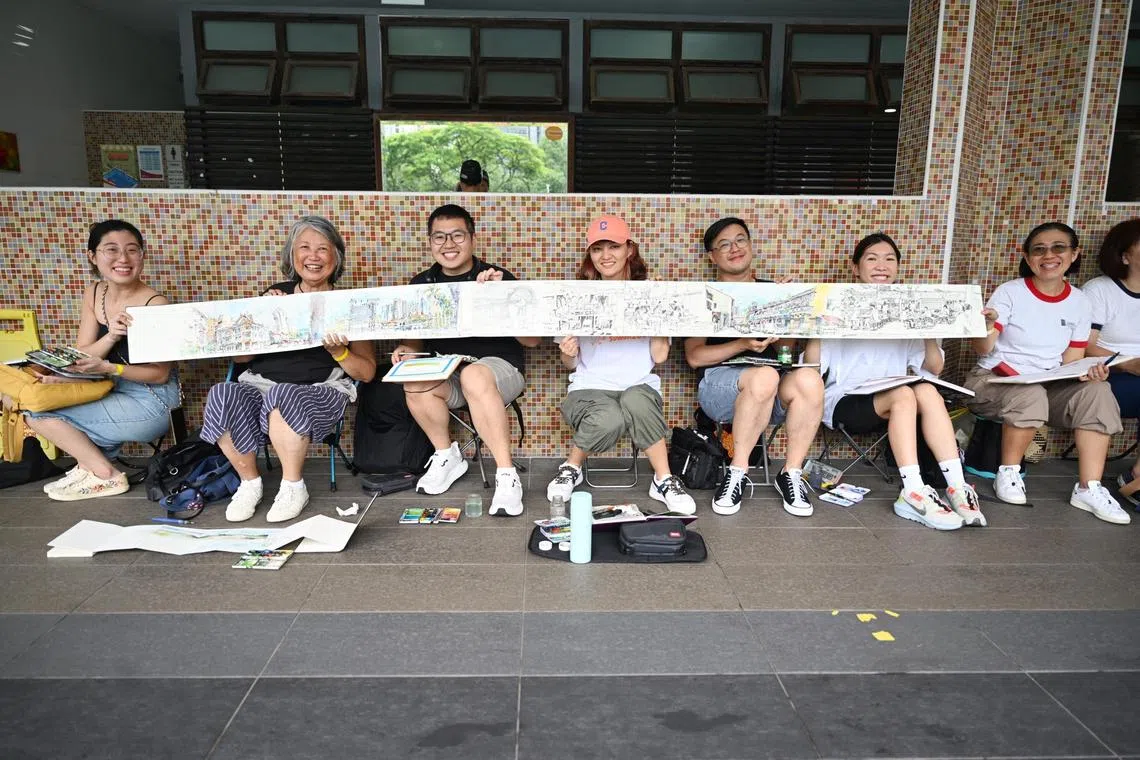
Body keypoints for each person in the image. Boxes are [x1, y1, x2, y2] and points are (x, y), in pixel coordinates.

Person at [200, 215, 376, 523]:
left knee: (284, 396)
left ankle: (293, 486)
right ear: (291, 256)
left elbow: (366, 373)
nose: (313, 256)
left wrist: (340, 352)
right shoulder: (273, 296)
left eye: (323, 248)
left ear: (336, 256)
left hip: (320, 391)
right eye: (304, 247)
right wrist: (264, 319)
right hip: (258, 386)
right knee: (222, 393)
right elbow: (241, 361)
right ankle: (249, 484)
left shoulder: (349, 304)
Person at [804, 233, 984, 530]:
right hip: (846, 402)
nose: (881, 266)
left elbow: (934, 369)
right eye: (872, 258)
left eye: (889, 259)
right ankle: (913, 491)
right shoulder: (839, 306)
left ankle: (957, 487)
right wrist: (814, 327)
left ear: (898, 267)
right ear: (855, 267)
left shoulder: (907, 307)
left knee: (925, 389)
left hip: (897, 402)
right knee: (904, 394)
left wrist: (929, 327)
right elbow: (813, 368)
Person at [964, 222, 1128, 525]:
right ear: (1027, 258)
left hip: (1046, 385)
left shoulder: (1079, 301)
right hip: (992, 382)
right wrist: (985, 324)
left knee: (1098, 392)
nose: (1048, 255)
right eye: (1039, 249)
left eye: (1058, 248)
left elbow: (1072, 360)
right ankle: (1009, 472)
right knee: (1030, 394)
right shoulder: (1010, 293)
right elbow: (984, 349)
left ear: (1074, 253)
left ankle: (1089, 487)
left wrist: (1087, 372)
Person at [391, 204, 538, 516]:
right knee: (413, 375)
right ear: (430, 242)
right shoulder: (422, 284)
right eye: (439, 237)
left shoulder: (498, 277)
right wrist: (405, 350)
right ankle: (447, 456)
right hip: (448, 372)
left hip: (498, 370)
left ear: (472, 238)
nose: (448, 244)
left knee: (474, 375)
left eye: (457, 236)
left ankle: (507, 475)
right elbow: (415, 339)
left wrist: (501, 297)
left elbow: (533, 340)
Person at [546, 215, 697, 515]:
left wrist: (658, 317)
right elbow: (569, 363)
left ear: (629, 249)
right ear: (589, 255)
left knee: (636, 400)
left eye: (613, 246)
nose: (606, 256)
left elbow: (660, 357)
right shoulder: (578, 296)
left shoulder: (650, 291)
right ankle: (571, 468)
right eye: (597, 248)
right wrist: (568, 350)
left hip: (638, 386)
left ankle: (664, 479)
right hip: (589, 389)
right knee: (610, 418)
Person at [28, 220, 181, 501]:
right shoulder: (95, 293)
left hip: (151, 402)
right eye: (111, 249)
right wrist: (111, 337)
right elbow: (84, 354)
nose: (123, 259)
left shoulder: (155, 304)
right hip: (108, 389)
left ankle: (104, 475)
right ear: (92, 256)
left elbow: (159, 375)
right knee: (37, 396)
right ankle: (88, 466)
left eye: (132, 250)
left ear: (142, 256)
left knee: (39, 412)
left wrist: (111, 368)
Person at [683, 217, 824, 517]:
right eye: (724, 245)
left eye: (740, 240)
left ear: (750, 245)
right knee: (765, 376)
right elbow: (694, 357)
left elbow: (786, 351)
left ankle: (791, 473)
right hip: (720, 388)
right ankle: (737, 473)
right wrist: (742, 345)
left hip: (769, 386)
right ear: (712, 256)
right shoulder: (706, 296)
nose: (734, 248)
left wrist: (786, 306)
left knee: (809, 379)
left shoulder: (770, 290)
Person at [1081, 218, 1140, 511]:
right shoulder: (1100, 290)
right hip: (1109, 374)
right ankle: (1136, 478)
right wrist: (1129, 364)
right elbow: (1086, 346)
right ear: (1125, 256)